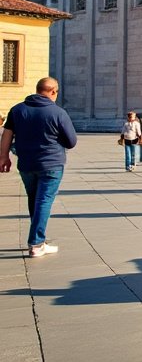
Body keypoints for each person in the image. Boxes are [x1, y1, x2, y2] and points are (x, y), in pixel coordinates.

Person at [0, 77, 77, 257]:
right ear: (53, 91)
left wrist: (3, 157)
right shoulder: (58, 112)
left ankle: (37, 238)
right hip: (51, 163)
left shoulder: (17, 110)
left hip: (26, 164)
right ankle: (36, 243)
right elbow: (71, 141)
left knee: (34, 199)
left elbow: (7, 135)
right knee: (44, 201)